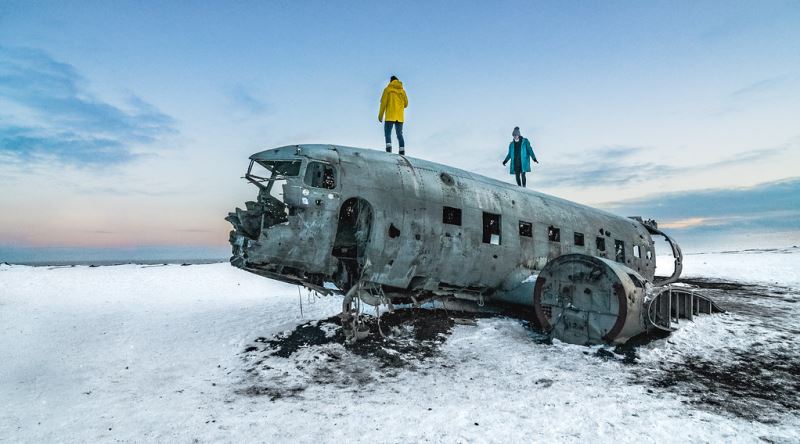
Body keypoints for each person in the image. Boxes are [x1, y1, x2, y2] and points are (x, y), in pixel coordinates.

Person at [378, 75, 408, 155]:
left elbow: (383, 103)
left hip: (390, 115)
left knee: (388, 132)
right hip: (400, 116)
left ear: (391, 81)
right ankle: (402, 150)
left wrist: (380, 116)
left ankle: (389, 148)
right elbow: (406, 104)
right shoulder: (402, 91)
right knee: (399, 134)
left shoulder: (387, 90)